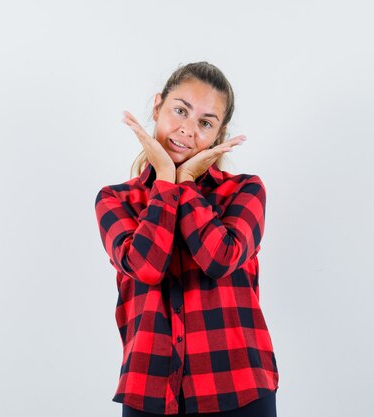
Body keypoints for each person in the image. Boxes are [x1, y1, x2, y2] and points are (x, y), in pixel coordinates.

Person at [94, 62, 279, 417]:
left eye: (205, 123)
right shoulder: (115, 200)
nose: (187, 130)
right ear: (157, 107)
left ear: (218, 135)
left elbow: (220, 259)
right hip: (151, 392)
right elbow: (147, 267)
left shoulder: (244, 191)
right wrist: (166, 177)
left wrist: (188, 183)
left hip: (238, 390)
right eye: (180, 111)